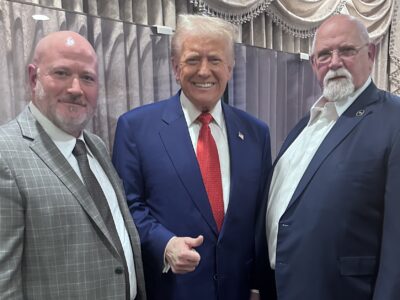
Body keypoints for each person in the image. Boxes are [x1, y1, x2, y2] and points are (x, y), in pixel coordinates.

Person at [112, 14, 272, 300]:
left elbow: (260, 218)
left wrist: (260, 284)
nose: (204, 71)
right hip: (171, 290)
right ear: (175, 67)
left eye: (215, 60)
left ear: (230, 68)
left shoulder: (257, 134)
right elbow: (127, 207)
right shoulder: (136, 128)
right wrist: (165, 244)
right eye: (193, 59)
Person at [255, 14, 400, 300]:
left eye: (346, 51)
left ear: (370, 54)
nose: (334, 62)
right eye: (324, 54)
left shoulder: (393, 119)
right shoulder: (305, 125)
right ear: (313, 64)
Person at [0, 31, 146, 300]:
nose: (76, 89)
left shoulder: (96, 146)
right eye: (62, 73)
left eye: (87, 78)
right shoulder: (4, 154)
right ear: (33, 79)